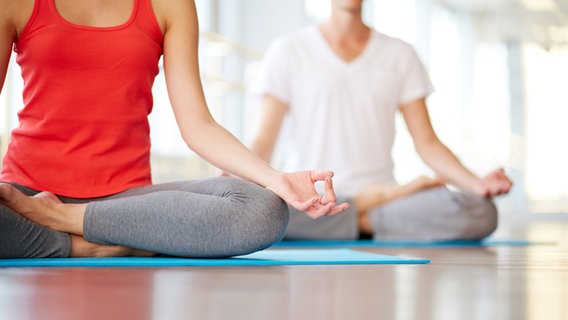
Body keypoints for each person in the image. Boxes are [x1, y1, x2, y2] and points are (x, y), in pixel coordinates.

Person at [0, 0, 349, 259]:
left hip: (126, 201)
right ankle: (89, 244)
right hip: (25, 192)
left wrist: (276, 180)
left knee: (264, 209)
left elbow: (198, 125)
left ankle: (63, 219)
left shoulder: (169, 4)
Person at [247, 0, 513, 240]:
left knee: (481, 213)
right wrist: (237, 174)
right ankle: (364, 215)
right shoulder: (288, 50)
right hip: (308, 200)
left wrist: (476, 183)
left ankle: (350, 217)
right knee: (259, 212)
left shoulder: (400, 54)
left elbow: (427, 142)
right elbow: (265, 139)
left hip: (387, 200)